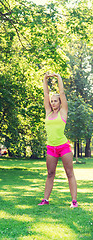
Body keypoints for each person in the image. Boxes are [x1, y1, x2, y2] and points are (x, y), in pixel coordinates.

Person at [39, 72, 78, 208]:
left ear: (60, 102)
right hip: (51, 147)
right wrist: (45, 79)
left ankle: (74, 201)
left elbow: (62, 93)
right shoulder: (48, 112)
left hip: (63, 146)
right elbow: (45, 94)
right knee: (50, 173)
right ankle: (45, 199)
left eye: (55, 100)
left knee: (69, 173)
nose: (53, 102)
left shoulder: (63, 112)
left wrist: (58, 78)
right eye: (52, 101)